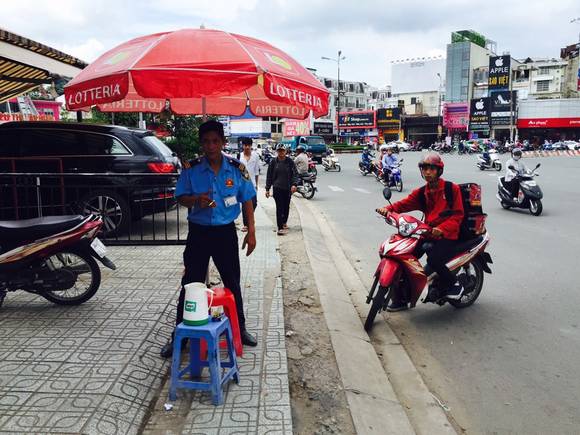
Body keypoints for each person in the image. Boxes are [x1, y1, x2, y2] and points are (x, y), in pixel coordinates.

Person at [160, 120, 257, 358]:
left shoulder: (236, 168)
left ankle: (239, 328)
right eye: (206, 141)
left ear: (223, 142)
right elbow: (180, 197)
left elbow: (247, 199)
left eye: (215, 141)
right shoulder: (191, 169)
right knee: (191, 282)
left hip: (225, 233)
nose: (211, 146)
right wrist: (195, 200)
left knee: (232, 281)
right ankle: (179, 337)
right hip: (199, 233)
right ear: (201, 144)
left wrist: (251, 231)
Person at [376, 152, 465, 311]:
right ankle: (402, 298)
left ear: (439, 171)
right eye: (425, 169)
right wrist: (387, 209)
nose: (428, 172)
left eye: (432, 168)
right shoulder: (422, 192)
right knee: (403, 255)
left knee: (434, 260)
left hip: (447, 235)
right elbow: (404, 204)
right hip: (427, 233)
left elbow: (458, 216)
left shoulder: (452, 189)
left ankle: (454, 285)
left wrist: (442, 229)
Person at [265, 144, 298, 235]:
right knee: (279, 207)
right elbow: (269, 176)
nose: (281, 152)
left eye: (282, 150)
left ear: (285, 151)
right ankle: (280, 227)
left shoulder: (290, 162)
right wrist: (267, 189)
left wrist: (294, 184)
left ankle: (284, 222)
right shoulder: (273, 162)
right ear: (277, 152)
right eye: (279, 151)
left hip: (287, 188)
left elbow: (295, 174)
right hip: (277, 188)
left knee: (286, 206)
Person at [238, 137, 261, 232]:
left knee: (254, 203)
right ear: (242, 146)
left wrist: (256, 185)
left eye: (248, 145)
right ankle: (246, 224)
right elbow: (237, 171)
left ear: (251, 146)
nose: (246, 147)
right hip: (243, 184)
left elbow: (256, 172)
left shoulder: (255, 156)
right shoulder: (239, 156)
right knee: (244, 204)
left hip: (252, 184)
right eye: (245, 145)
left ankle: (250, 218)